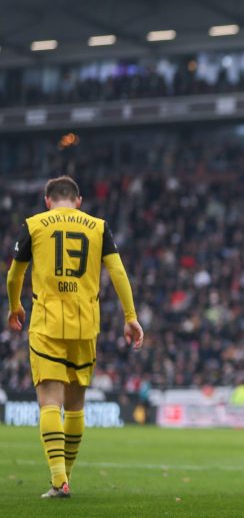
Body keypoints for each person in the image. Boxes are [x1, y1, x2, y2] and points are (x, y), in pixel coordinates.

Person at [6, 175, 144, 499]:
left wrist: (14, 306)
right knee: (76, 406)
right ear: (78, 200)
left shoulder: (34, 224)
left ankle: (58, 480)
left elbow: (15, 274)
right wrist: (130, 317)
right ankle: (65, 476)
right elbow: (118, 271)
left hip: (47, 323)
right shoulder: (98, 226)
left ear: (47, 200)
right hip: (86, 324)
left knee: (49, 402)